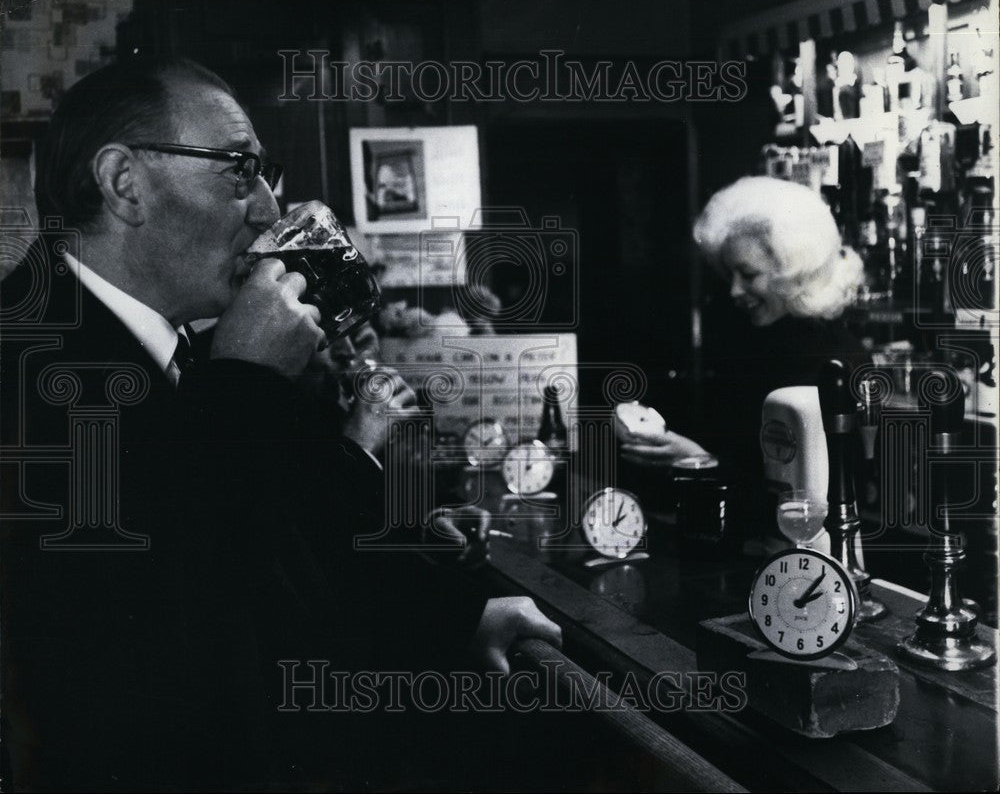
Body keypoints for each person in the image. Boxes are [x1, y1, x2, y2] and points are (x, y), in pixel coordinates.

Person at [0, 56, 560, 790]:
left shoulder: (175, 337)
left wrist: (454, 617)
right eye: (238, 169)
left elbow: (295, 541)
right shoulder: (28, 360)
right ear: (123, 183)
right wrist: (246, 380)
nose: (268, 209)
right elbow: (166, 650)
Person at [621, 177, 868, 520]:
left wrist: (701, 464)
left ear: (793, 273)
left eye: (749, 275)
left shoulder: (837, 364)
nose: (735, 291)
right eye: (730, 275)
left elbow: (817, 503)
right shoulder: (748, 342)